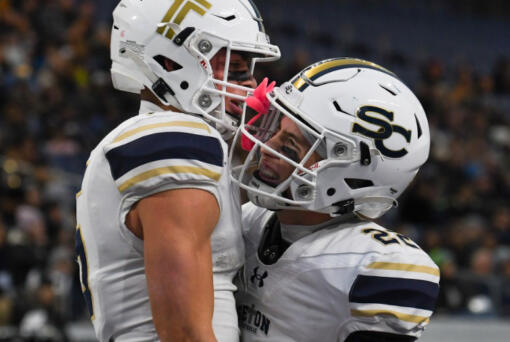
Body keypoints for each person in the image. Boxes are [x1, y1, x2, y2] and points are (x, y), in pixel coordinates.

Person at [75, 0, 280, 341]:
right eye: (235, 68)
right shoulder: (174, 138)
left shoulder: (180, 139)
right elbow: (184, 332)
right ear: (170, 61)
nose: (250, 84)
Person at [231, 58, 440, 341]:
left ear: (351, 173)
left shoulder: (375, 264)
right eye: (276, 130)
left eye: (291, 145)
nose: (268, 148)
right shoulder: (245, 221)